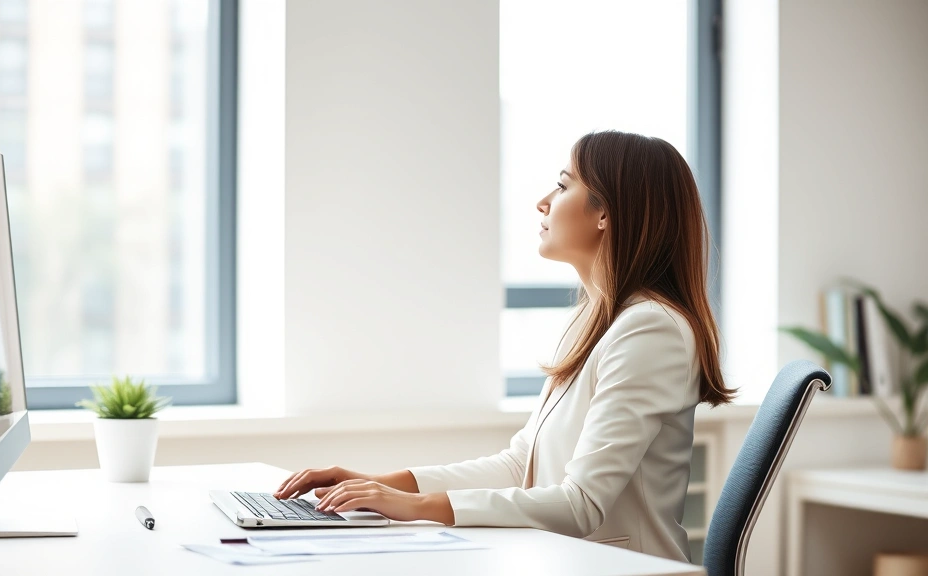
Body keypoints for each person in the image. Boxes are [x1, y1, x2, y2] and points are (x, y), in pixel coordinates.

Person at [274, 130, 735, 563]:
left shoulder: (650, 330)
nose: (543, 202)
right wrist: (380, 483)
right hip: (568, 560)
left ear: (604, 213)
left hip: (619, 566)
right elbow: (521, 464)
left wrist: (414, 506)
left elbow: (582, 504)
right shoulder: (597, 320)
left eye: (561, 186)